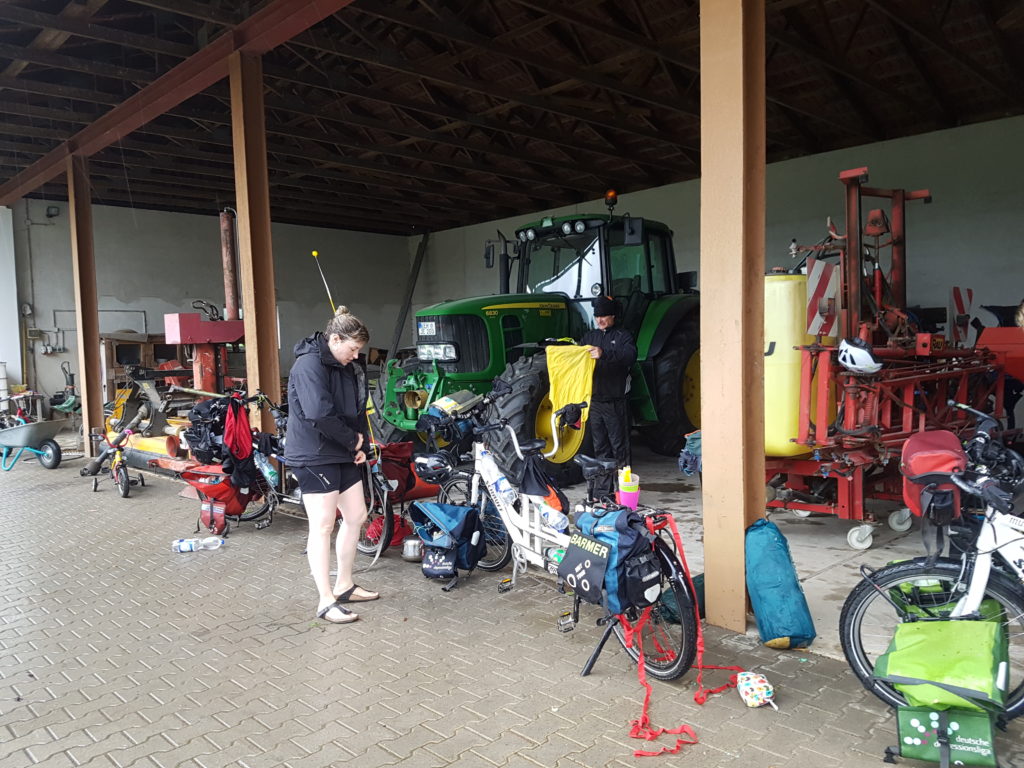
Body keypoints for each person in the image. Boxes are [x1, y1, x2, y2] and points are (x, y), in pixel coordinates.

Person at [285, 306, 379, 624]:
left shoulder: (342, 365)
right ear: (335, 339)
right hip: (313, 453)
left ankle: (345, 585)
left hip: (339, 449)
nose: (355, 356)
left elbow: (354, 409)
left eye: (358, 351)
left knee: (356, 515)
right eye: (352, 349)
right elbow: (319, 413)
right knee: (323, 524)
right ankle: (325, 601)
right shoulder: (309, 364)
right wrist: (351, 441)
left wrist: (360, 444)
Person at [581, 295, 637, 492]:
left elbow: (630, 356)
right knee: (600, 449)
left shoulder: (623, 337)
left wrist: (605, 354)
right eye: (597, 317)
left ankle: (625, 492)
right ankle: (604, 493)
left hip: (615, 402)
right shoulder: (589, 337)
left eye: (604, 316)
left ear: (613, 316)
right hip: (595, 403)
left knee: (620, 449)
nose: (600, 320)